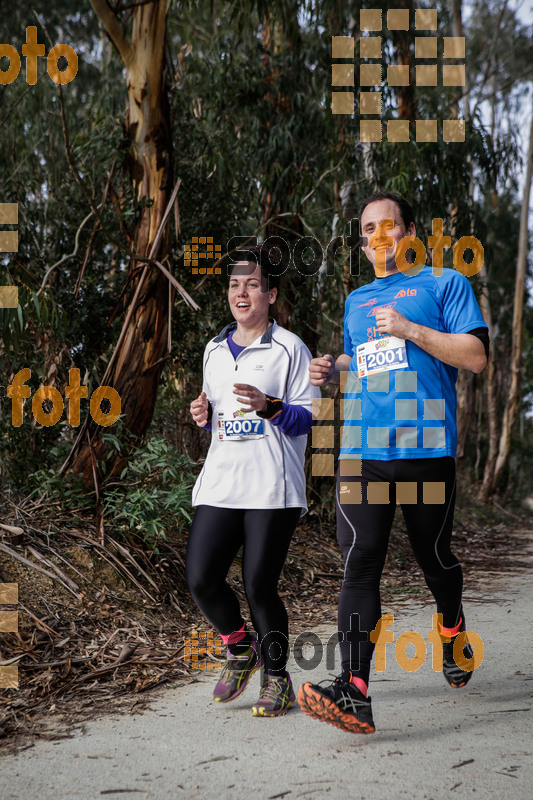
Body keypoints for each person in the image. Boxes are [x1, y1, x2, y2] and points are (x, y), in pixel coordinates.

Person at [298, 191, 489, 734]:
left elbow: (474, 356)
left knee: (435, 558)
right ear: (361, 244)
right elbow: (367, 364)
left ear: (410, 232)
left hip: (426, 451)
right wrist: (333, 367)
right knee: (360, 562)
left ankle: (451, 628)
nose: (378, 237)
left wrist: (410, 328)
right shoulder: (357, 299)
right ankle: (354, 689)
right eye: (367, 231)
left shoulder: (444, 283)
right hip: (363, 454)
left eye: (389, 226)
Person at [187, 244, 320, 717]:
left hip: (272, 487)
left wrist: (271, 406)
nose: (241, 293)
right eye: (233, 284)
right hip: (222, 482)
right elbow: (218, 414)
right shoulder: (213, 350)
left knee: (259, 583)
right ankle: (241, 648)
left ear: (271, 294)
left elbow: (308, 419)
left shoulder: (290, 348)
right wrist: (203, 417)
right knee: (201, 578)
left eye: (251, 284)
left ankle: (278, 679)